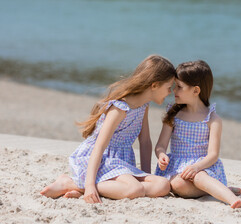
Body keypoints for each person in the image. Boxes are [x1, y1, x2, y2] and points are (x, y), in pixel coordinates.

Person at [40, 55, 176, 203]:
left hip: (121, 162)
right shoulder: (119, 108)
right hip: (103, 159)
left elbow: (145, 141)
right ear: (154, 85)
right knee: (135, 189)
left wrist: (145, 174)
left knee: (163, 185)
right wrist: (90, 184)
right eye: (169, 87)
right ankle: (73, 184)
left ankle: (82, 188)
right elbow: (99, 146)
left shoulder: (143, 106)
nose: (170, 92)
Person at [155, 60, 241, 208]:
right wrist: (161, 155)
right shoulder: (173, 115)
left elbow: (213, 155)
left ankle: (232, 200)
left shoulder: (212, 120)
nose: (174, 90)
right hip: (176, 167)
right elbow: (161, 145)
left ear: (196, 91)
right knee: (178, 184)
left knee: (199, 178)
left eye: (179, 87)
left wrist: (196, 167)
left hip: (203, 167)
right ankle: (217, 190)